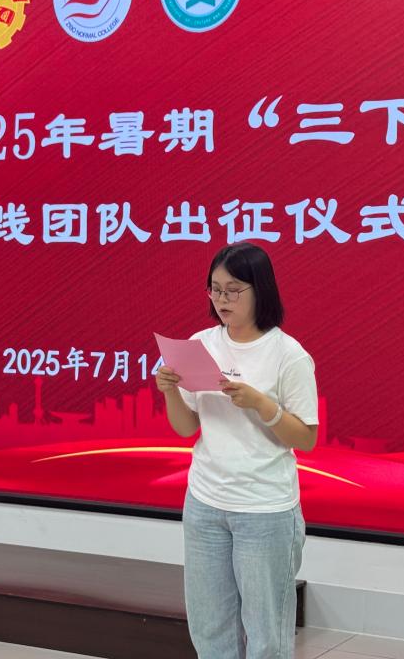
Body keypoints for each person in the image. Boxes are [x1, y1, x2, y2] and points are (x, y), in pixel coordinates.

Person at [155, 242, 319, 659]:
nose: (221, 299)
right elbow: (186, 427)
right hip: (206, 503)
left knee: (266, 633)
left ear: (260, 290)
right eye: (214, 289)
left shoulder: (288, 355)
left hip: (264, 509)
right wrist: (170, 391)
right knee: (210, 626)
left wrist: (262, 404)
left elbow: (306, 437)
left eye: (233, 290)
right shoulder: (201, 344)